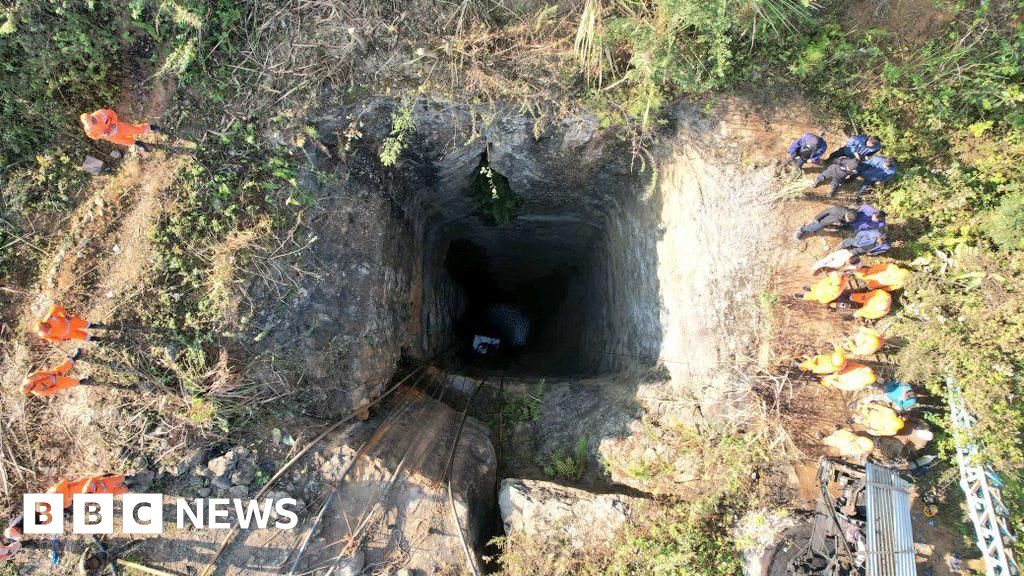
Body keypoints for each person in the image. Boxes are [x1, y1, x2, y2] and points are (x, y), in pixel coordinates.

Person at [795, 203, 886, 240]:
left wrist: (844, 223)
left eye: (876, 220)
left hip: (852, 225)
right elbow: (826, 211)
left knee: (840, 226)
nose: (874, 220)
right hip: (826, 221)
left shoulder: (880, 223)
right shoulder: (837, 211)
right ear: (874, 213)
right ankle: (802, 229)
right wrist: (817, 218)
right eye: (874, 218)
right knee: (816, 225)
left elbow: (878, 225)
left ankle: (833, 226)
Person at [80, 109, 159, 149]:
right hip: (111, 136)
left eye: (92, 121)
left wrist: (113, 123)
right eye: (90, 124)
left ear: (91, 116)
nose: (92, 124)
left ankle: (151, 127)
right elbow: (93, 136)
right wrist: (101, 135)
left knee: (136, 130)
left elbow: (112, 113)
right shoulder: (88, 129)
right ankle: (138, 143)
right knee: (125, 141)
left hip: (119, 127)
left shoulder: (100, 113)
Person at [22, 350, 87, 397]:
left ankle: (76, 356)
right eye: (27, 387)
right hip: (57, 383)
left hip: (52, 373)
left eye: (25, 385)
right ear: (29, 390)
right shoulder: (39, 392)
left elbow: (39, 373)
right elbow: (51, 390)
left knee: (65, 365)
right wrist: (57, 383)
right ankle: (87, 381)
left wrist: (51, 373)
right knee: (72, 382)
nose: (27, 384)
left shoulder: (29, 379)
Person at [48, 475, 128, 509]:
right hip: (86, 493)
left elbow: (64, 481)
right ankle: (126, 487)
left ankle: (126, 477)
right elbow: (68, 504)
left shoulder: (53, 493)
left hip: (85, 485)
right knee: (109, 493)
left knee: (108, 482)